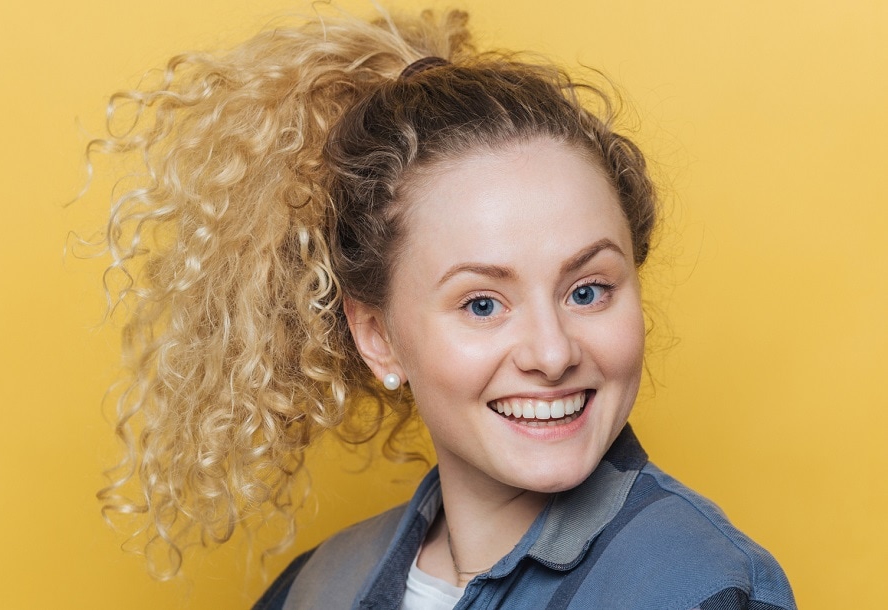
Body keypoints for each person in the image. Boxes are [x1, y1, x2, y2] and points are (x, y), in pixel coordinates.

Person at [91, 5, 796, 609]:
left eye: (588, 291)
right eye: (483, 303)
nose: (552, 353)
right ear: (378, 337)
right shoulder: (317, 588)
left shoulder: (701, 589)